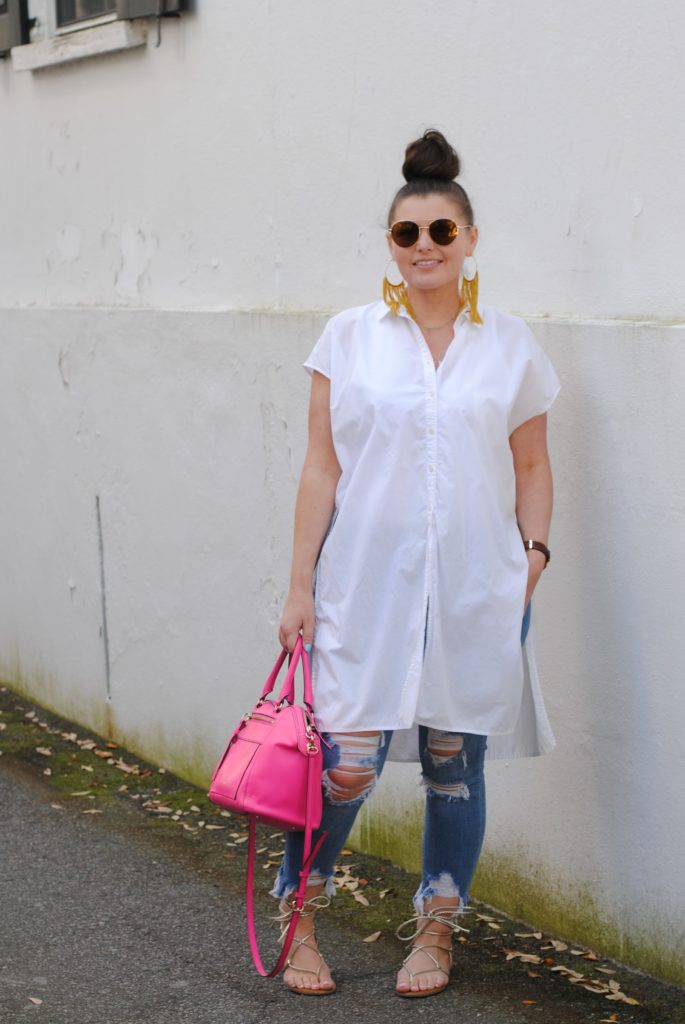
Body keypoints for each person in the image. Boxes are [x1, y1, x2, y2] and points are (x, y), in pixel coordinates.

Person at [274, 129, 560, 998]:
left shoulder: (510, 347)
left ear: (470, 240)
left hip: (477, 588)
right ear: (389, 245)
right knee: (344, 763)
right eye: (408, 233)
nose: (425, 247)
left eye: (442, 231)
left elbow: (533, 465)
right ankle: (299, 920)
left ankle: (436, 930)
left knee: (451, 762)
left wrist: (533, 558)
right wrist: (297, 585)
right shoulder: (346, 338)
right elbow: (321, 466)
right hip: (361, 584)